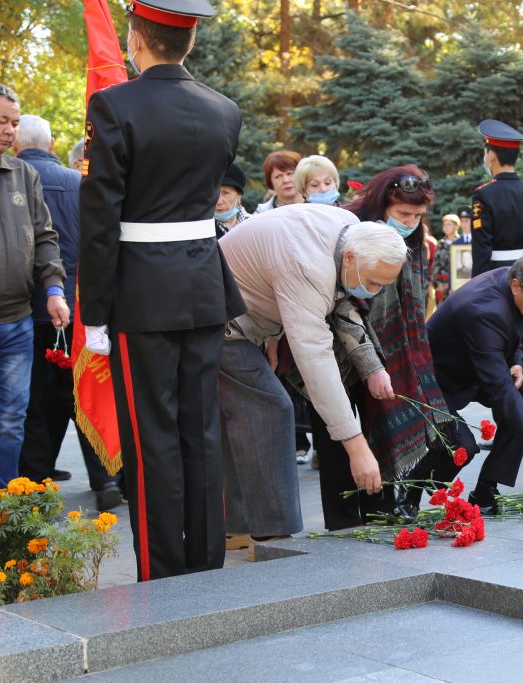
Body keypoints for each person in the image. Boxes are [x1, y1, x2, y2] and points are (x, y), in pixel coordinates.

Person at [77, 0, 244, 582]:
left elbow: (100, 221)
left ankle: (163, 570)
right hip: (202, 283)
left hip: (141, 291)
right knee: (200, 429)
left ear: (134, 37)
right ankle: (205, 561)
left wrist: (93, 313)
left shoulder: (113, 105)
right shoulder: (224, 110)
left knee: (153, 435)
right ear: (191, 42)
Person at [219, 208, 406, 548]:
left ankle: (238, 525)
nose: (374, 291)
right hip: (221, 323)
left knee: (244, 417)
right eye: (374, 282)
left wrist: (271, 335)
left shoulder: (350, 232)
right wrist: (356, 446)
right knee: (270, 410)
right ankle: (272, 535)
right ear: (351, 257)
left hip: (240, 315)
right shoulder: (308, 266)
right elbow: (316, 360)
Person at [307, 165, 446, 530]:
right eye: (403, 214)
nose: (411, 223)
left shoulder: (416, 242)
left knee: (379, 433)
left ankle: (378, 514)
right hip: (331, 347)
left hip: (388, 350)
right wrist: (369, 364)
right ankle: (343, 527)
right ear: (383, 203)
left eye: (418, 216)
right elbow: (342, 307)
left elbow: (412, 306)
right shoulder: (348, 228)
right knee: (338, 437)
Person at [399, 252, 523, 517]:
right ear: (516, 286)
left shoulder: (517, 278)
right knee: (463, 446)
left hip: (475, 368)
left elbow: (515, 333)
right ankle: (410, 488)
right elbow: (501, 392)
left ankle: (486, 487)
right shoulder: (485, 312)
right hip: (433, 381)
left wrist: (518, 362)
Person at [13, 114, 121, 509]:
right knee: (87, 395)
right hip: (83, 310)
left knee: (38, 403)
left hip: (30, 310)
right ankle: (106, 482)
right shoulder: (80, 185)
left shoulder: (10, 182)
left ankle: (33, 482)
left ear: (14, 145)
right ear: (53, 144)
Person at [0, 85, 69, 490]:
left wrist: (54, 290)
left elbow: (45, 238)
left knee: (8, 422)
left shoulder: (24, 174)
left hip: (15, 324)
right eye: (2, 121)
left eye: (15, 124)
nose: (11, 131)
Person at [471, 119, 523, 276]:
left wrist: (477, 286)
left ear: (491, 155)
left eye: (485, 153)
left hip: (495, 275)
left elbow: (481, 250)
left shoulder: (483, 195)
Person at [431, 213, 461, 302]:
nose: (446, 227)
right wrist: (438, 284)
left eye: (449, 224)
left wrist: (452, 284)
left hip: (456, 284)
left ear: (456, 226)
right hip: (441, 283)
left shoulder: (460, 243)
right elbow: (436, 264)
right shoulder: (440, 243)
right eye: (444, 225)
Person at [214, 163, 249, 237]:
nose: (219, 202)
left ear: (239, 196)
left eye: (226, 193)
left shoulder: (254, 223)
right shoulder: (202, 230)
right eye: (214, 193)